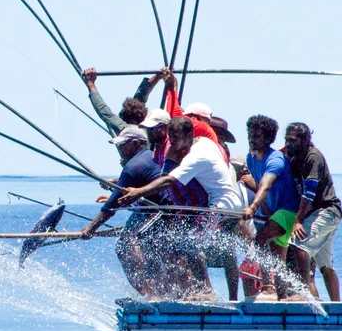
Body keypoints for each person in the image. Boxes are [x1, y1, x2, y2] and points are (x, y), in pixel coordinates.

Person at [118, 117, 243, 299]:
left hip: (222, 204)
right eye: (171, 137)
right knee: (185, 242)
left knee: (191, 241)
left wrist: (138, 192)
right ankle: (188, 289)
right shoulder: (204, 142)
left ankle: (207, 290)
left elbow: (168, 180)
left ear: (190, 135)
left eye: (176, 138)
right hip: (225, 202)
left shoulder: (196, 156)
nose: (173, 142)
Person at [78, 125, 169, 295]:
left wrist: (90, 229)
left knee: (125, 245)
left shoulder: (132, 166)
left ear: (136, 144)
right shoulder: (151, 157)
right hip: (164, 212)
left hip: (161, 213)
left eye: (122, 144)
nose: (118, 149)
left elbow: (110, 207)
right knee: (150, 248)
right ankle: (163, 291)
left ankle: (149, 294)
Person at [240, 115, 301, 300]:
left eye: (257, 136)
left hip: (289, 211)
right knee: (277, 260)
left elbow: (265, 186)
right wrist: (267, 213)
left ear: (268, 139)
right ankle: (283, 299)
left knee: (259, 241)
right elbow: (260, 187)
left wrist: (252, 208)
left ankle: (267, 286)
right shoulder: (250, 159)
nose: (251, 138)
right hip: (275, 214)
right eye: (250, 134)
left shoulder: (275, 160)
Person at [284, 122, 341, 302]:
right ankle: (336, 307)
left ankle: (305, 294)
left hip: (327, 211)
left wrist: (298, 220)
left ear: (306, 139)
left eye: (292, 140)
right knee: (325, 266)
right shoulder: (295, 159)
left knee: (299, 245)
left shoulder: (313, 156)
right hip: (318, 215)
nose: (288, 144)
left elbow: (309, 191)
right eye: (286, 140)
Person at [82, 68, 162, 137]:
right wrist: (158, 77)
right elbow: (141, 95)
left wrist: (90, 84)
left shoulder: (126, 129)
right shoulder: (150, 131)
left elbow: (104, 111)